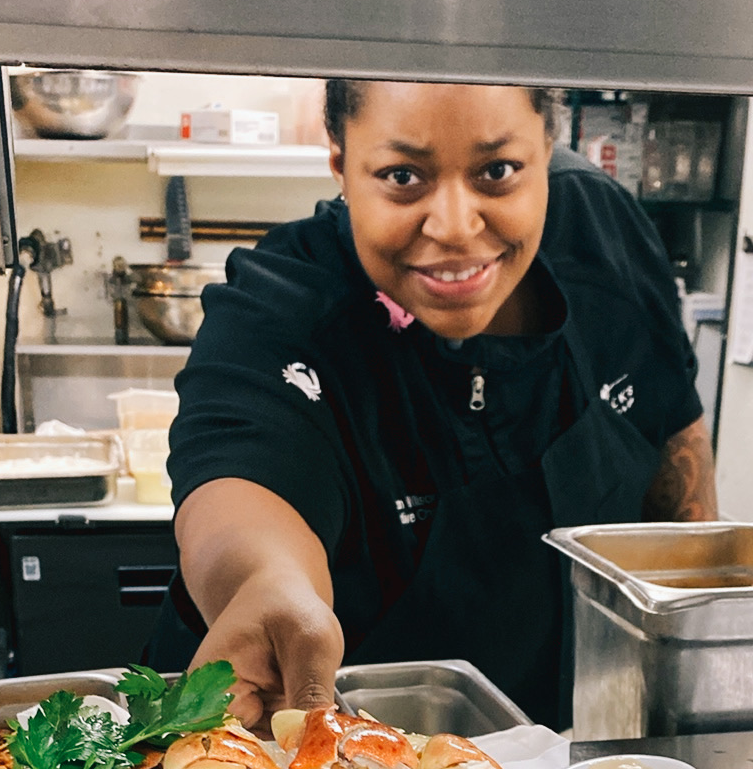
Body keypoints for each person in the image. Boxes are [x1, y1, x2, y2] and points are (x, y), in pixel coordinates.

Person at [150, 79, 717, 729]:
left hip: (572, 760)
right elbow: (240, 469)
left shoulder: (605, 234)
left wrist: (692, 665)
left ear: (547, 142)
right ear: (340, 160)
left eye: (498, 171)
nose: (454, 228)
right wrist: (261, 585)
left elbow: (678, 443)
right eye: (401, 176)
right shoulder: (282, 303)